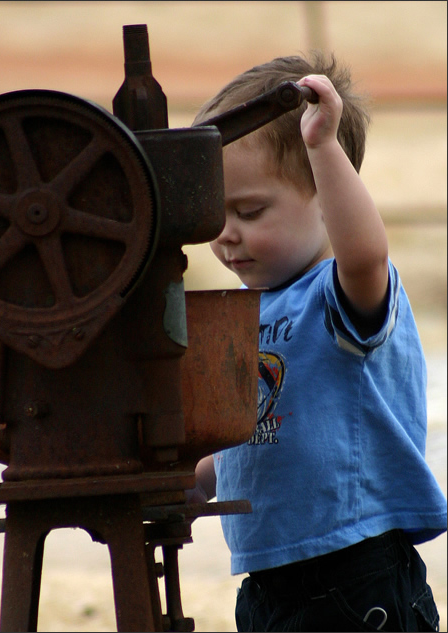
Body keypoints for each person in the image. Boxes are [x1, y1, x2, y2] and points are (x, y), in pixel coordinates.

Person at [188, 53, 447, 632]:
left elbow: (364, 255)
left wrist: (323, 146)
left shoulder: (339, 294)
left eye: (250, 211)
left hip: (355, 574)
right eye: (216, 215)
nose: (227, 234)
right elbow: (255, 432)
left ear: (327, 203)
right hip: (268, 583)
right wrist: (195, 479)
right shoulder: (250, 313)